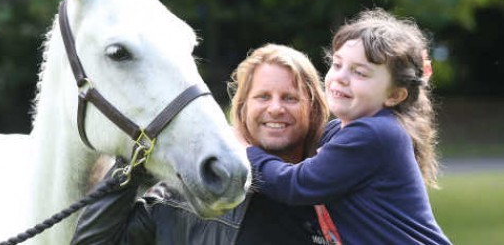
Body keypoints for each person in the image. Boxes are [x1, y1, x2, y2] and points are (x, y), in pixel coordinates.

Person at [71, 43, 332, 244]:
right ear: (242, 109)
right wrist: (135, 158)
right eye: (263, 97)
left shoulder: (336, 188)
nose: (275, 108)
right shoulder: (188, 196)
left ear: (313, 108)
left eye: (289, 98)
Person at [245, 9, 452, 244]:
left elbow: (296, 184)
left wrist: (246, 151)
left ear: (394, 95)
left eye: (359, 73)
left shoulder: (375, 134)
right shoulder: (341, 131)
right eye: (337, 64)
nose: (341, 77)